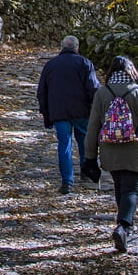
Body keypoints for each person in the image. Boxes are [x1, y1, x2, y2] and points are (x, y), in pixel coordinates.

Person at [82, 55, 138, 252]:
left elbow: (93, 126)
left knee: (120, 186)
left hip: (109, 149)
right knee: (132, 189)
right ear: (131, 70)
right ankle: (124, 226)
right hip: (135, 148)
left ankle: (125, 225)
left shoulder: (102, 93)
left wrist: (90, 156)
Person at [37, 35, 100, 195]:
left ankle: (67, 182)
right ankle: (86, 175)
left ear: (62, 47)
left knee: (64, 145)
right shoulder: (85, 63)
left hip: (60, 112)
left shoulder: (51, 65)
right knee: (85, 143)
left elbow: (41, 92)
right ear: (77, 48)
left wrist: (46, 113)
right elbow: (93, 88)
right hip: (82, 112)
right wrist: (96, 109)